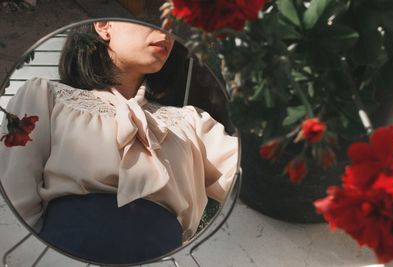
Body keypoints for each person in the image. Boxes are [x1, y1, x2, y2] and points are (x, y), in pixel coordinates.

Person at [0, 21, 238, 264]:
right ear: (104, 26)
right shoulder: (47, 96)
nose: (166, 33)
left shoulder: (190, 123)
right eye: (153, 22)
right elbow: (13, 192)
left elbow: (250, 172)